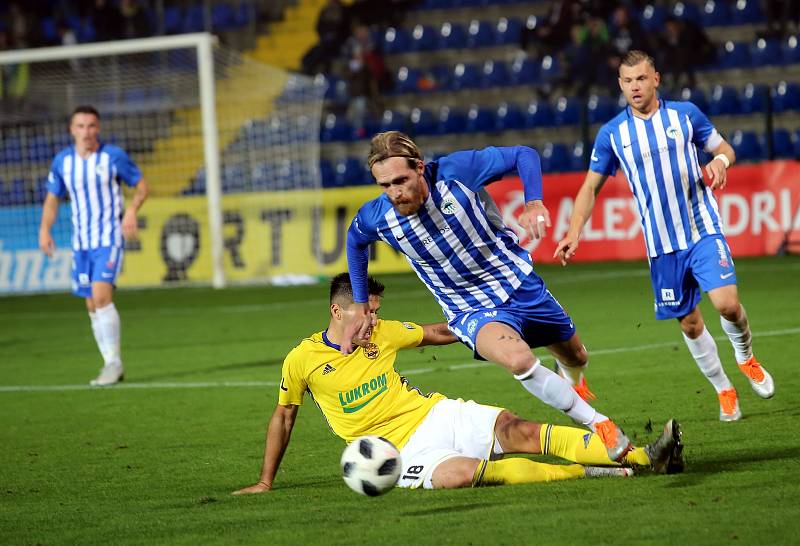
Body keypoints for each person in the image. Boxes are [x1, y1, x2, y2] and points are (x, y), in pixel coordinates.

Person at [233, 274, 683, 494]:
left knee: (516, 428)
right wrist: (265, 481)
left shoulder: (386, 332)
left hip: (433, 412)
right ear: (338, 311)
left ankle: (647, 456)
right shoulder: (303, 360)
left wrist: (496, 327)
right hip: (396, 452)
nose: (374, 318)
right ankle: (591, 470)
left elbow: (440, 332)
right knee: (462, 476)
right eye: (367, 310)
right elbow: (284, 416)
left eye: (376, 310)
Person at [343, 131, 635, 463]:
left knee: (577, 357)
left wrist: (534, 201)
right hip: (470, 309)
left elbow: (524, 154)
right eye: (385, 185)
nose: (394, 192)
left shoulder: (458, 172)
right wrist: (361, 300)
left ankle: (571, 387)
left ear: (420, 168)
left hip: (519, 283)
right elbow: (355, 240)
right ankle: (601, 425)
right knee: (519, 361)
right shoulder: (378, 216)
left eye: (401, 180)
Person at [554, 50, 775, 422]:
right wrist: (574, 231)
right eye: (627, 81)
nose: (634, 87)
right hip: (661, 246)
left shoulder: (685, 115)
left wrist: (720, 162)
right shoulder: (613, 134)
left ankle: (746, 357)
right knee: (690, 323)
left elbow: (724, 149)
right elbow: (590, 187)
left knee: (726, 305)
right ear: (620, 85)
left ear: (656, 78)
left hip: (701, 229)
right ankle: (724, 389)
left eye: (641, 79)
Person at [39, 105, 149, 386]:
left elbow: (141, 185)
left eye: (91, 126)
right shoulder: (63, 161)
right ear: (71, 130)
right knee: (91, 304)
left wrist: (132, 210)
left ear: (98, 129)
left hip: (108, 237)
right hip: (81, 243)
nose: (86, 132)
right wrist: (44, 229)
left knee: (101, 297)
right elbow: (53, 199)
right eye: (80, 126)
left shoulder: (113, 157)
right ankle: (109, 361)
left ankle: (113, 363)